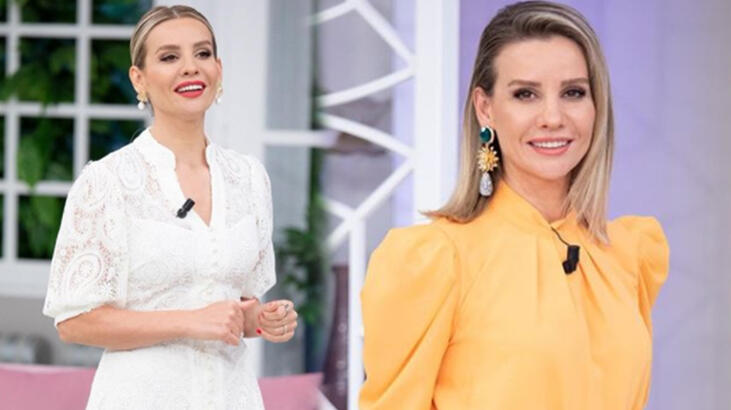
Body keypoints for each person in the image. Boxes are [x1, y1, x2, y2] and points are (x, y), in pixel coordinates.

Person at [360, 1, 669, 409]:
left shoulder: (627, 254)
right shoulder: (437, 261)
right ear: (485, 108)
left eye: (573, 92)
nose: (553, 117)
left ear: (597, 106)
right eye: (526, 94)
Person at [42, 6, 298, 409]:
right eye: (169, 57)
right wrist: (190, 321)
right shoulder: (107, 181)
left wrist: (261, 320)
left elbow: (235, 305)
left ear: (218, 69)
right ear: (139, 79)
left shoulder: (249, 178)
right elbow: (75, 322)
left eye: (202, 53)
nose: (190, 67)